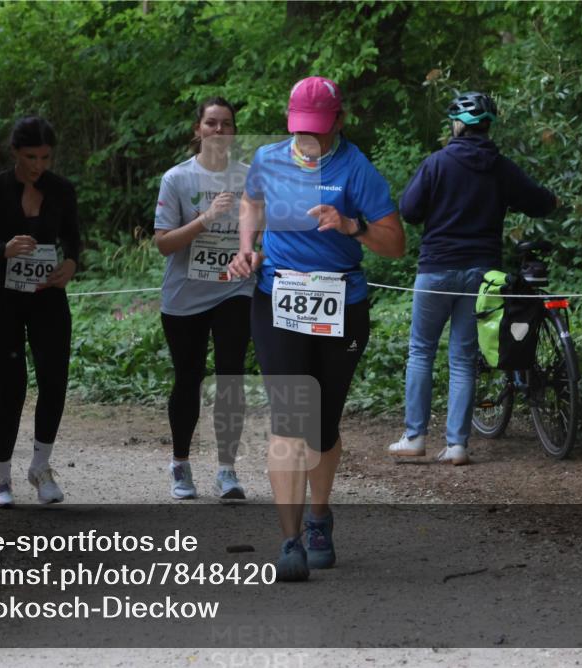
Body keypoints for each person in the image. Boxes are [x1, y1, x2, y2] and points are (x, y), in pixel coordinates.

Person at [228, 77, 405, 580]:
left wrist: (353, 226)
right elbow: (251, 202)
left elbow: (396, 244)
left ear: (340, 122)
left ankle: (319, 518)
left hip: (341, 303)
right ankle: (290, 541)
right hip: (277, 300)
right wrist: (247, 246)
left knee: (322, 426)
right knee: (289, 420)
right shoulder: (267, 158)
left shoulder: (357, 169)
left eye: (320, 130)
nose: (310, 139)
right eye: (302, 129)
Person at [388, 91, 557, 465]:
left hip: (436, 270)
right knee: (462, 359)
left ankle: (415, 437)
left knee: (421, 351)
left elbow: (410, 210)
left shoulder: (436, 163)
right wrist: (551, 200)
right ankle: (457, 445)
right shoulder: (502, 168)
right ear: (488, 127)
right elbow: (540, 201)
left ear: (458, 125)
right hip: (482, 274)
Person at [0, 116, 79, 507]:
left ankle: (41, 467)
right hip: (1, 301)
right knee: (12, 389)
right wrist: (2, 251)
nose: (39, 165)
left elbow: (75, 243)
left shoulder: (61, 190)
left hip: (47, 298)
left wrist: (71, 265)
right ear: (15, 152)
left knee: (54, 382)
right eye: (31, 156)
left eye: (45, 157)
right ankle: (1, 476)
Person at [153, 97, 254, 500]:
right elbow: (163, 244)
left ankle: (227, 470)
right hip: (185, 294)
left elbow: (264, 233)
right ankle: (181, 463)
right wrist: (206, 218)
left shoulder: (249, 178)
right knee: (188, 378)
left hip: (234, 288)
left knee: (231, 376)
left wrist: (256, 254)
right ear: (198, 129)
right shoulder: (177, 179)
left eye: (226, 124)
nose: (218, 130)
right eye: (211, 123)